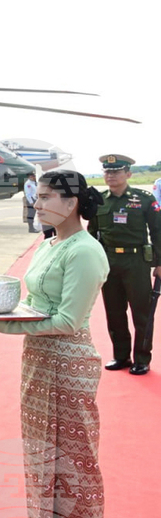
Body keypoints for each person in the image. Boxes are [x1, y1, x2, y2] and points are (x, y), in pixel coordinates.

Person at [0, 169, 109, 518]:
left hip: (69, 364)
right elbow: (35, 304)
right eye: (37, 196)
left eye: (45, 197)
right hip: (39, 358)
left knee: (74, 458)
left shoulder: (85, 251)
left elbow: (68, 321)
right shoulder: (48, 244)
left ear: (71, 203)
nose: (36, 203)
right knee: (40, 450)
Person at [87, 154, 161, 375]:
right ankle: (121, 356)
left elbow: (158, 232)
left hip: (136, 261)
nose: (111, 175)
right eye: (107, 171)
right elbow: (92, 234)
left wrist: (160, 262)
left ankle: (142, 358)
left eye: (116, 171)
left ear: (128, 174)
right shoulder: (99, 200)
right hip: (109, 261)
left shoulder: (145, 199)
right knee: (114, 311)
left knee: (142, 312)